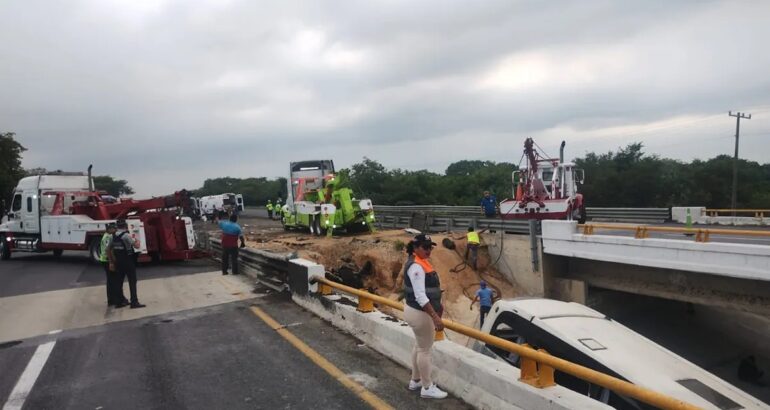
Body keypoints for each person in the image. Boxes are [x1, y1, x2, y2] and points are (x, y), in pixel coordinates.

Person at [403, 234, 448, 399]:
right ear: (415, 248)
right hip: (420, 314)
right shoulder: (416, 267)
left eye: (430, 247)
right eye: (425, 247)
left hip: (413, 311)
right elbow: (420, 296)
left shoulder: (418, 262)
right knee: (425, 350)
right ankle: (427, 387)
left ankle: (415, 381)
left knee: (418, 346)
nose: (429, 250)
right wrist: (435, 317)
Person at [108, 219, 145, 309]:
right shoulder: (126, 236)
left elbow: (108, 249)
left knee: (119, 282)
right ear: (125, 226)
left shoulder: (112, 237)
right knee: (132, 281)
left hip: (118, 262)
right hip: (128, 261)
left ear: (117, 227)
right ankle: (134, 302)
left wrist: (112, 262)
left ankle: (119, 302)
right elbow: (136, 246)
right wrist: (138, 241)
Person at [99, 223, 127, 307]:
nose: (116, 230)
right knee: (114, 280)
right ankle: (116, 300)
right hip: (108, 260)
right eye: (114, 228)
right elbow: (109, 250)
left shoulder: (106, 235)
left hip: (105, 260)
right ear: (110, 229)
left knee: (111, 281)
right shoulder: (108, 237)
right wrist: (112, 262)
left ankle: (111, 300)